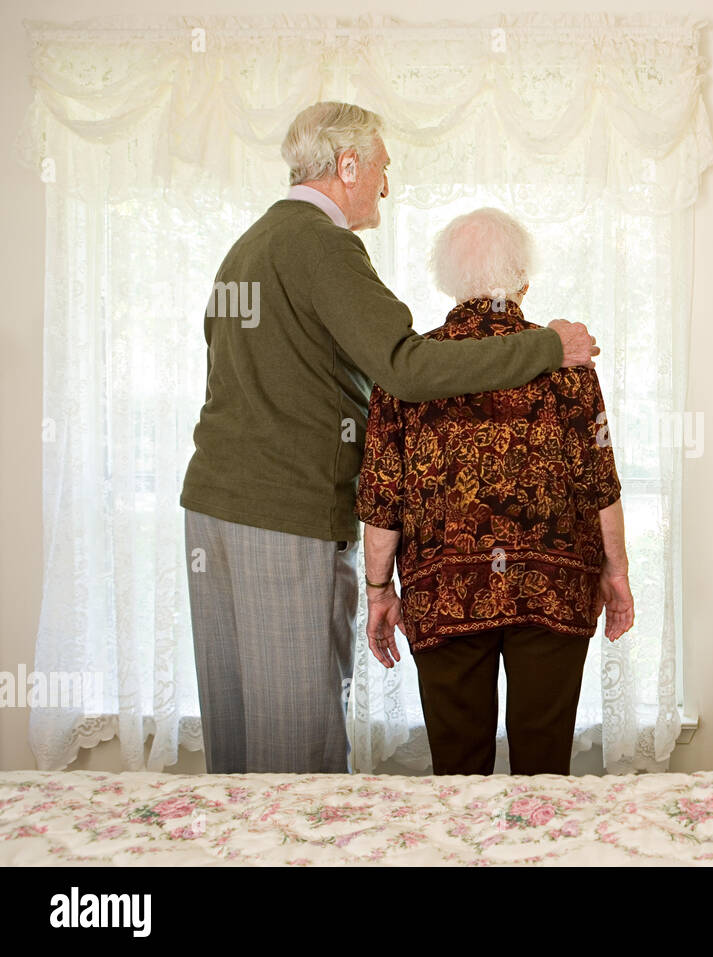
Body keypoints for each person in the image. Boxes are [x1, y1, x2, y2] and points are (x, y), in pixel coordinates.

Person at [180, 102, 599, 774]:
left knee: (236, 742)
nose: (385, 181)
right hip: (280, 512)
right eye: (380, 165)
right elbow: (407, 367)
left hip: (214, 506)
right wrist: (546, 346)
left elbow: (228, 366)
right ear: (347, 165)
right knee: (298, 746)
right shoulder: (320, 242)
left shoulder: (251, 244)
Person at [356, 207, 635, 776]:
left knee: (458, 772)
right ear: (523, 282)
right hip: (553, 588)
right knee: (543, 767)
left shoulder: (408, 369)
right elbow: (598, 477)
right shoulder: (565, 357)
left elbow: (382, 497)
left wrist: (379, 589)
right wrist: (616, 572)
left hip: (444, 590)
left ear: (448, 282)